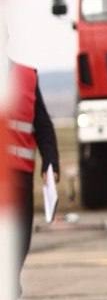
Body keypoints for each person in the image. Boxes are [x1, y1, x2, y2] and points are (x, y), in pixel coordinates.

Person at [8, 57, 60, 282]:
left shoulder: (27, 77)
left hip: (19, 175)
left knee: (19, 238)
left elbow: (42, 125)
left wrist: (51, 162)